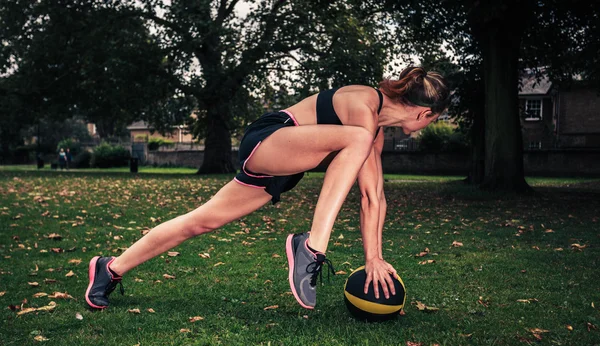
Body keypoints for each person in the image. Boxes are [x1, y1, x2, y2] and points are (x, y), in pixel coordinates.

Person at [85, 66, 450, 311]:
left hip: (282, 170)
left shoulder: (373, 134)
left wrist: (374, 258)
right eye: (436, 120)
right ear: (425, 114)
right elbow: (359, 154)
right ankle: (310, 248)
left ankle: (110, 268)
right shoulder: (363, 105)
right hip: (270, 139)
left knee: (200, 221)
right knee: (358, 139)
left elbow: (374, 196)